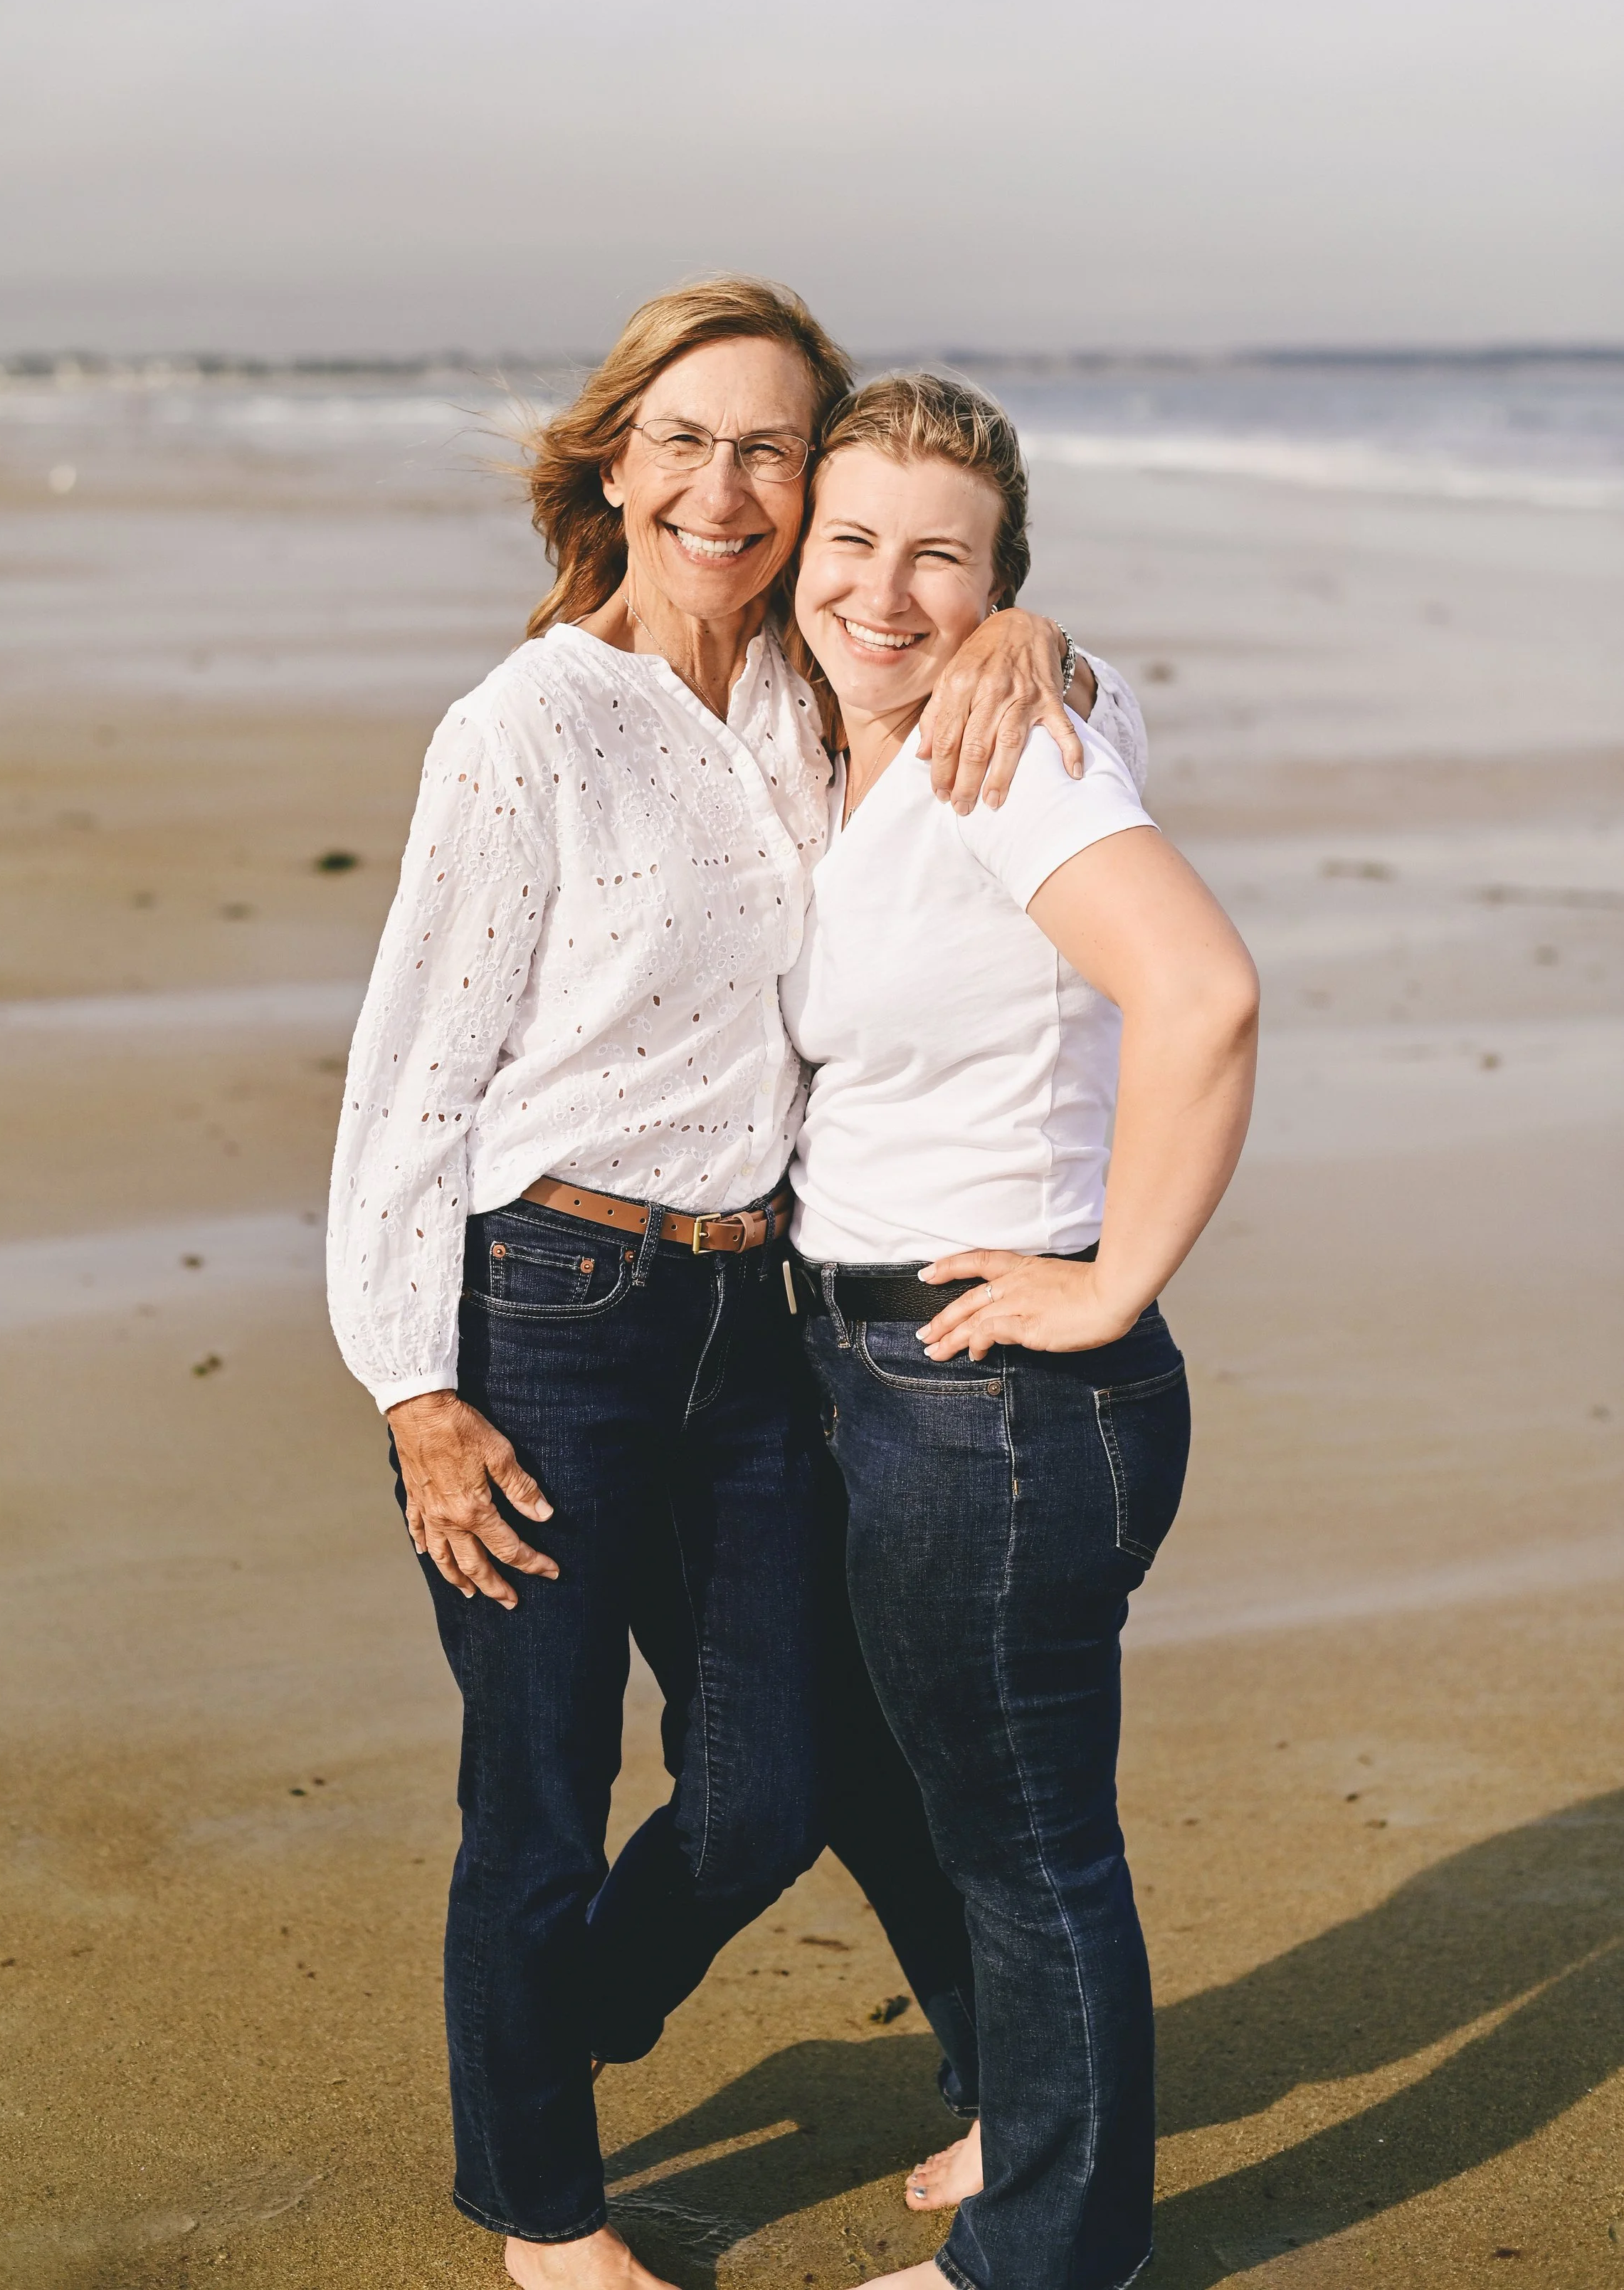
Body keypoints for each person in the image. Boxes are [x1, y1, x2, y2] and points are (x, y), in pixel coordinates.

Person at [325, 280, 1140, 2290]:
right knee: (535, 1790)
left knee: (773, 1781)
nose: (728, 481)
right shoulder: (523, 727)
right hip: (542, 1310)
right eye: (683, 437)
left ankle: (560, 2018)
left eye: (770, 444)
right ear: (615, 458)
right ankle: (543, 2211)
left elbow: (960, 638)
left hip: (747, 1318)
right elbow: (408, 1081)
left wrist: (1034, 625)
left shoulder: (804, 681)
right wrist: (413, 1394)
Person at [782, 373, 1260, 2290]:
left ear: (1002, 586)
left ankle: (1050, 2254)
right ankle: (1020, 2098)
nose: (884, 588)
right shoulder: (900, 728)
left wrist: (1114, 1275)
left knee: (1026, 1834)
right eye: (852, 540)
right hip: (886, 1376)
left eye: (943, 557)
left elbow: (1203, 989)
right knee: (910, 1778)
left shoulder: (1014, 743)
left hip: (987, 1390)